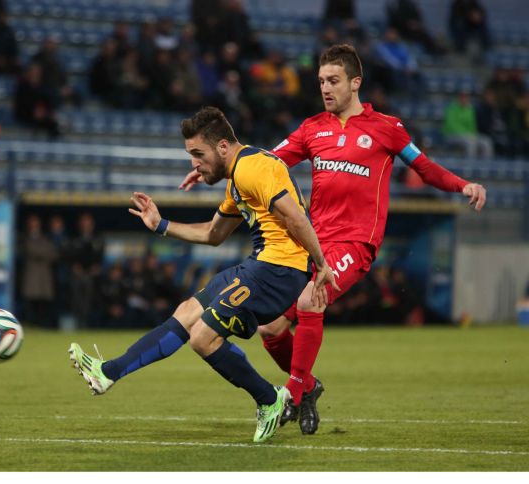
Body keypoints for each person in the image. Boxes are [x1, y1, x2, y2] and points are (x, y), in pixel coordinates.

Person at [179, 44, 487, 435]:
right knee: (270, 329)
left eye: (334, 80)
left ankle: (290, 395)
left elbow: (424, 168)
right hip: (312, 243)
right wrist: (214, 167)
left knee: (311, 298)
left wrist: (463, 185)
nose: (325, 87)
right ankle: (308, 387)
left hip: (355, 243)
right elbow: (262, 162)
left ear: (356, 82)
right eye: (321, 81)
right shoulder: (312, 129)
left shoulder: (388, 128)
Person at [68, 106, 338, 443]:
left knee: (203, 337)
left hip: (280, 270)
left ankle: (269, 399)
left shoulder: (252, 168)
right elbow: (213, 233)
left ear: (223, 146)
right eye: (191, 155)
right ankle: (107, 372)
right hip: (260, 264)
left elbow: (296, 217)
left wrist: (321, 265)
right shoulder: (238, 179)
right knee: (186, 313)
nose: (194, 163)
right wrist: (161, 225)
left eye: (198, 154)